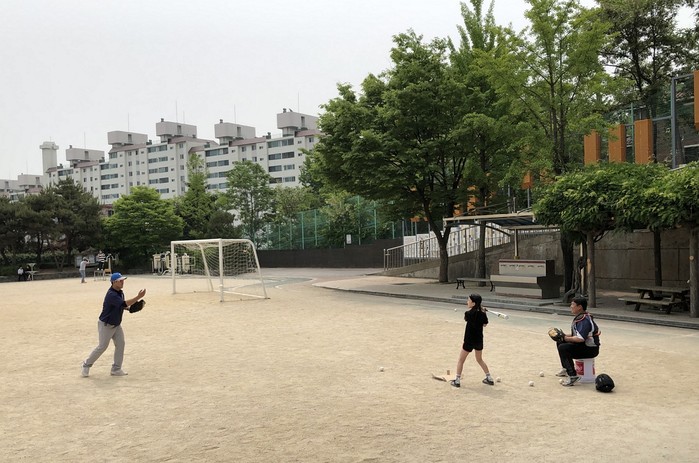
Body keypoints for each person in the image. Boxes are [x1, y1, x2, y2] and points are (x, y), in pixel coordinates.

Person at [81, 272, 146, 377]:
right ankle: (86, 364)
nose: (122, 282)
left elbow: (121, 305)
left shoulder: (120, 292)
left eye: (123, 280)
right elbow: (123, 303)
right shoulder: (111, 294)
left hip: (116, 324)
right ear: (114, 282)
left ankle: (116, 369)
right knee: (102, 347)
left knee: (121, 344)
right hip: (106, 325)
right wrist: (138, 297)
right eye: (120, 281)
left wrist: (129, 309)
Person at [450, 293, 494, 387]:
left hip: (469, 341)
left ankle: (457, 380)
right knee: (479, 359)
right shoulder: (482, 314)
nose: (467, 302)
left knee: (461, 360)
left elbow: (467, 318)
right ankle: (489, 378)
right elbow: (485, 324)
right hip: (478, 341)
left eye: (469, 300)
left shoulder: (468, 314)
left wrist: (480, 309)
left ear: (473, 303)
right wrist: (483, 311)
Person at [555, 297, 601, 387]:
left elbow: (580, 338)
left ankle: (572, 375)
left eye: (573, 304)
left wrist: (565, 338)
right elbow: (576, 334)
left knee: (563, 347)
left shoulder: (584, 319)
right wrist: (562, 336)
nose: (571, 306)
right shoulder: (583, 317)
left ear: (579, 307)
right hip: (585, 346)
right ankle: (566, 368)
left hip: (590, 349)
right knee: (560, 342)